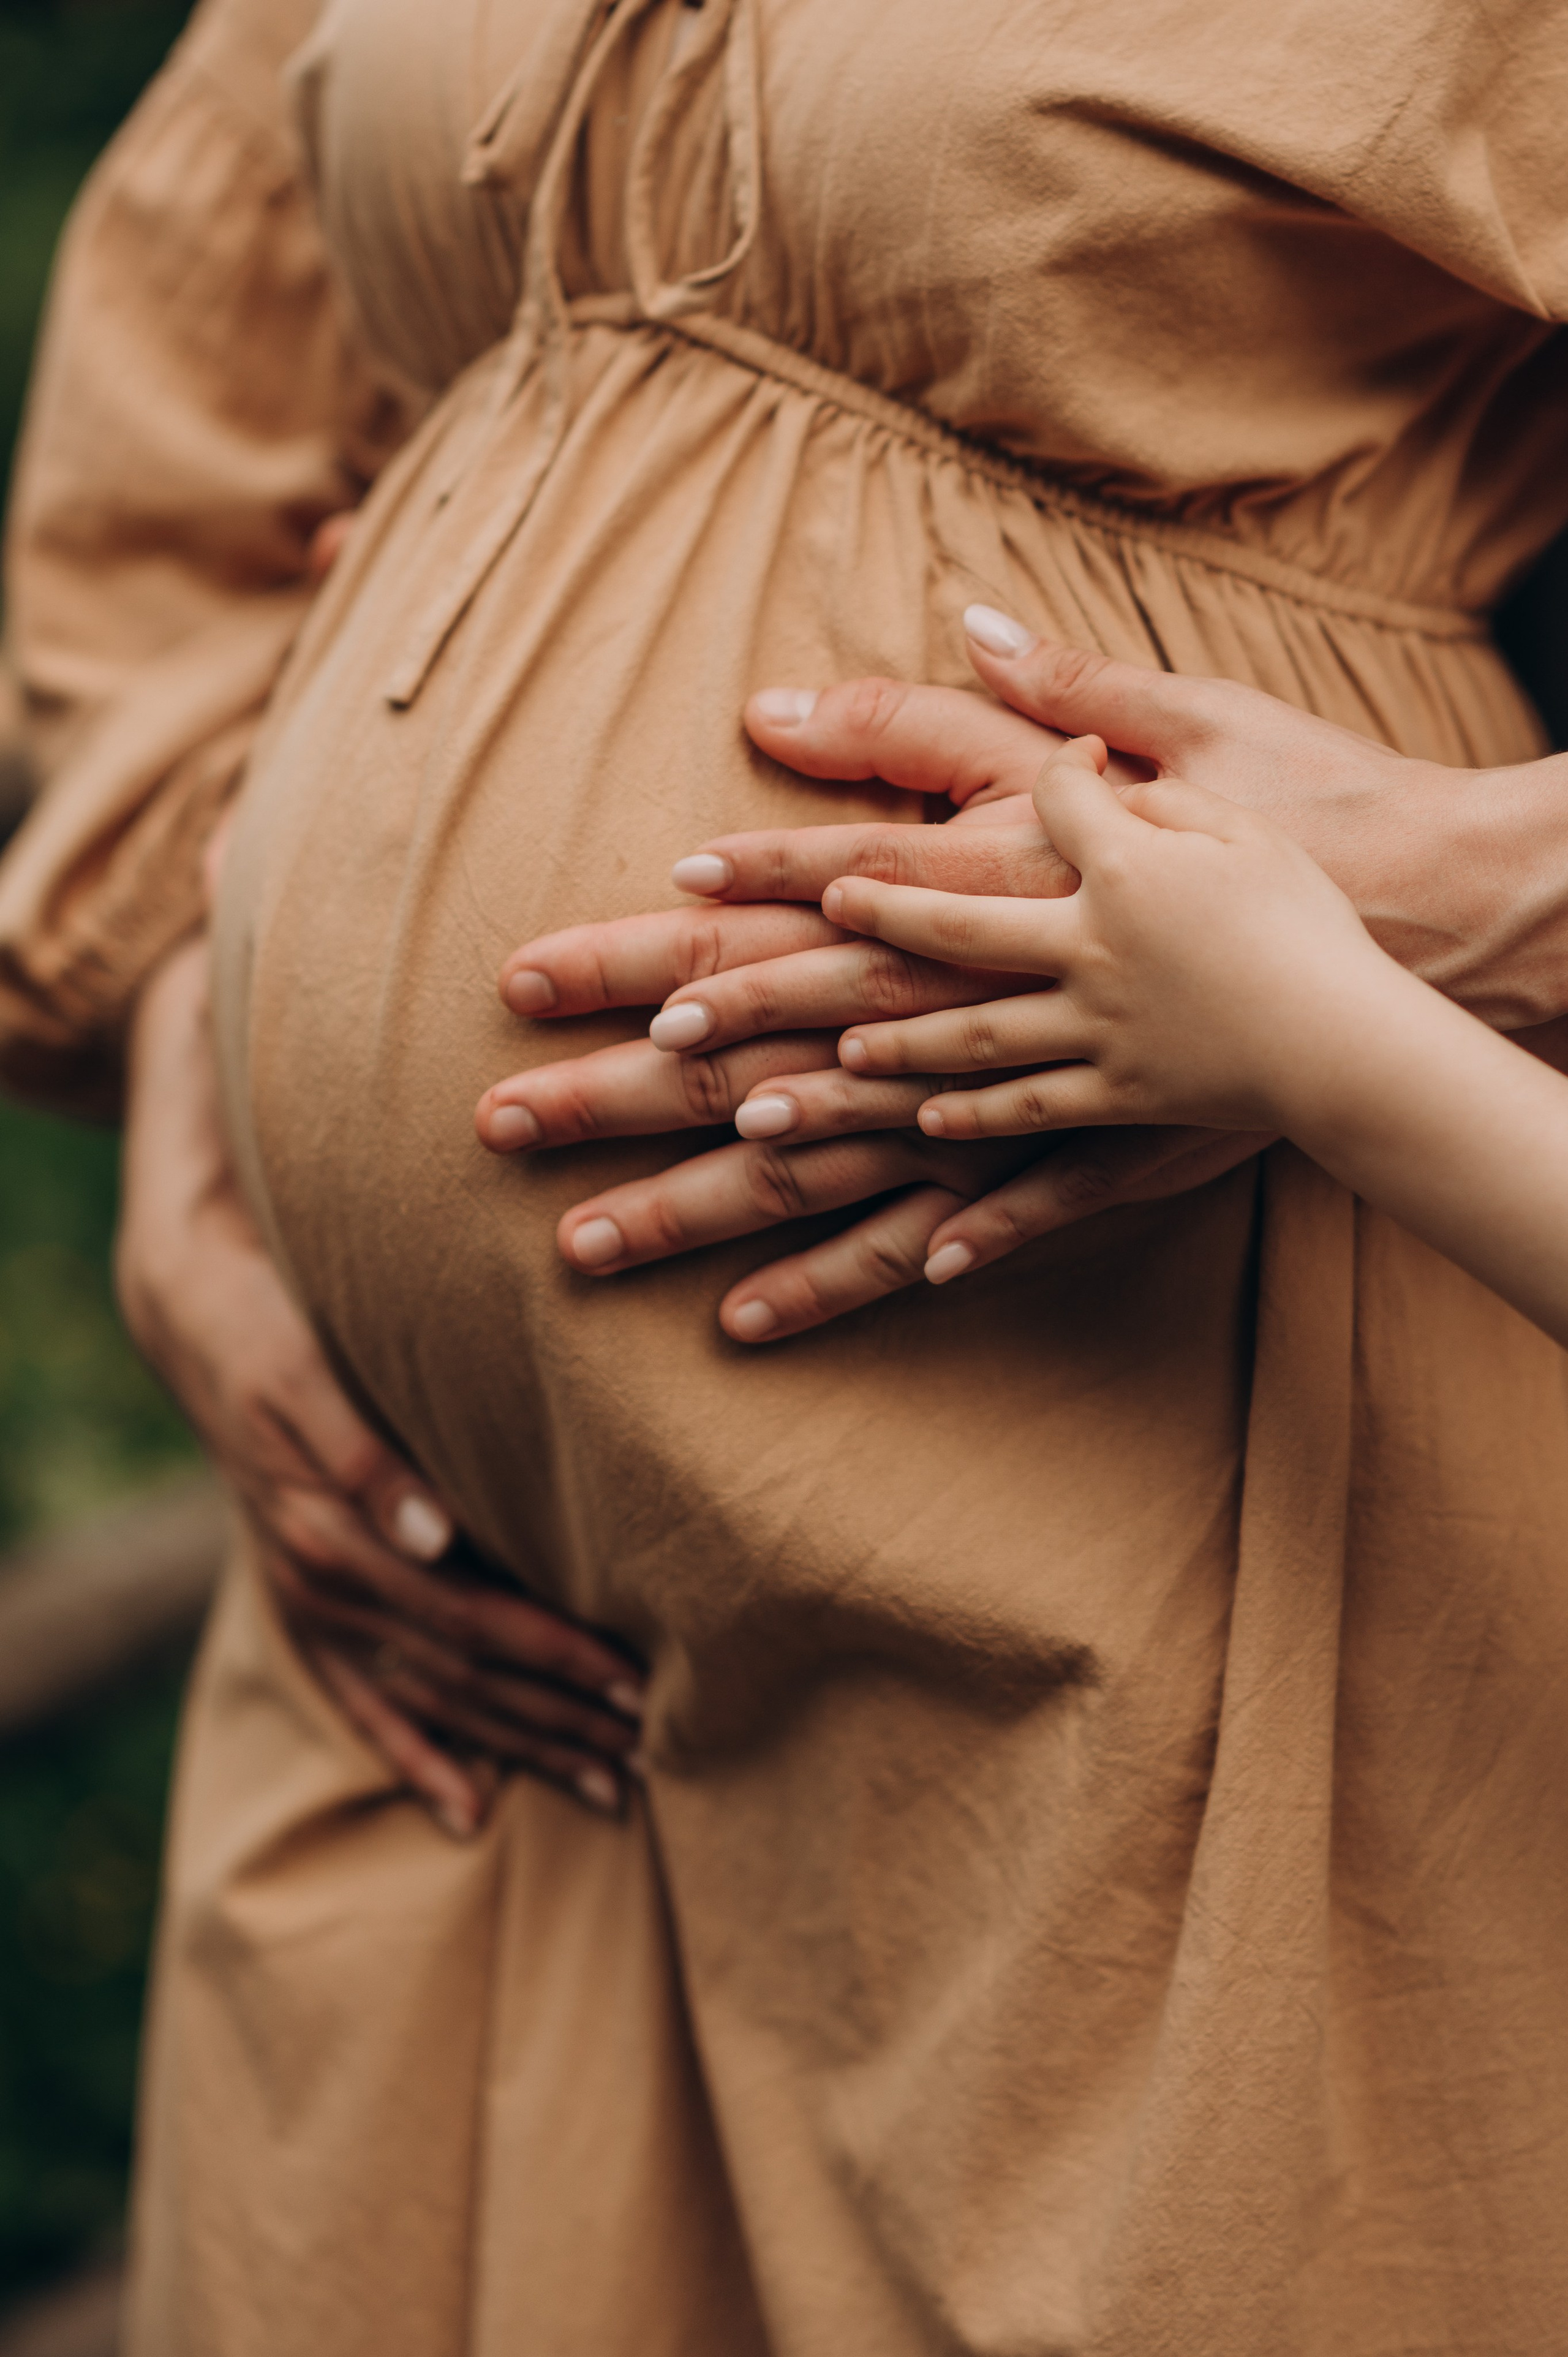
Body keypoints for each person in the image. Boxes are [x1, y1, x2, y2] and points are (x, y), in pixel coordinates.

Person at [4, 0, 1568, 2348]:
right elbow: (185, 418)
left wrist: (1470, 889)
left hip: (1146, 1467)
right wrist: (189, 1089)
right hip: (423, 1650)